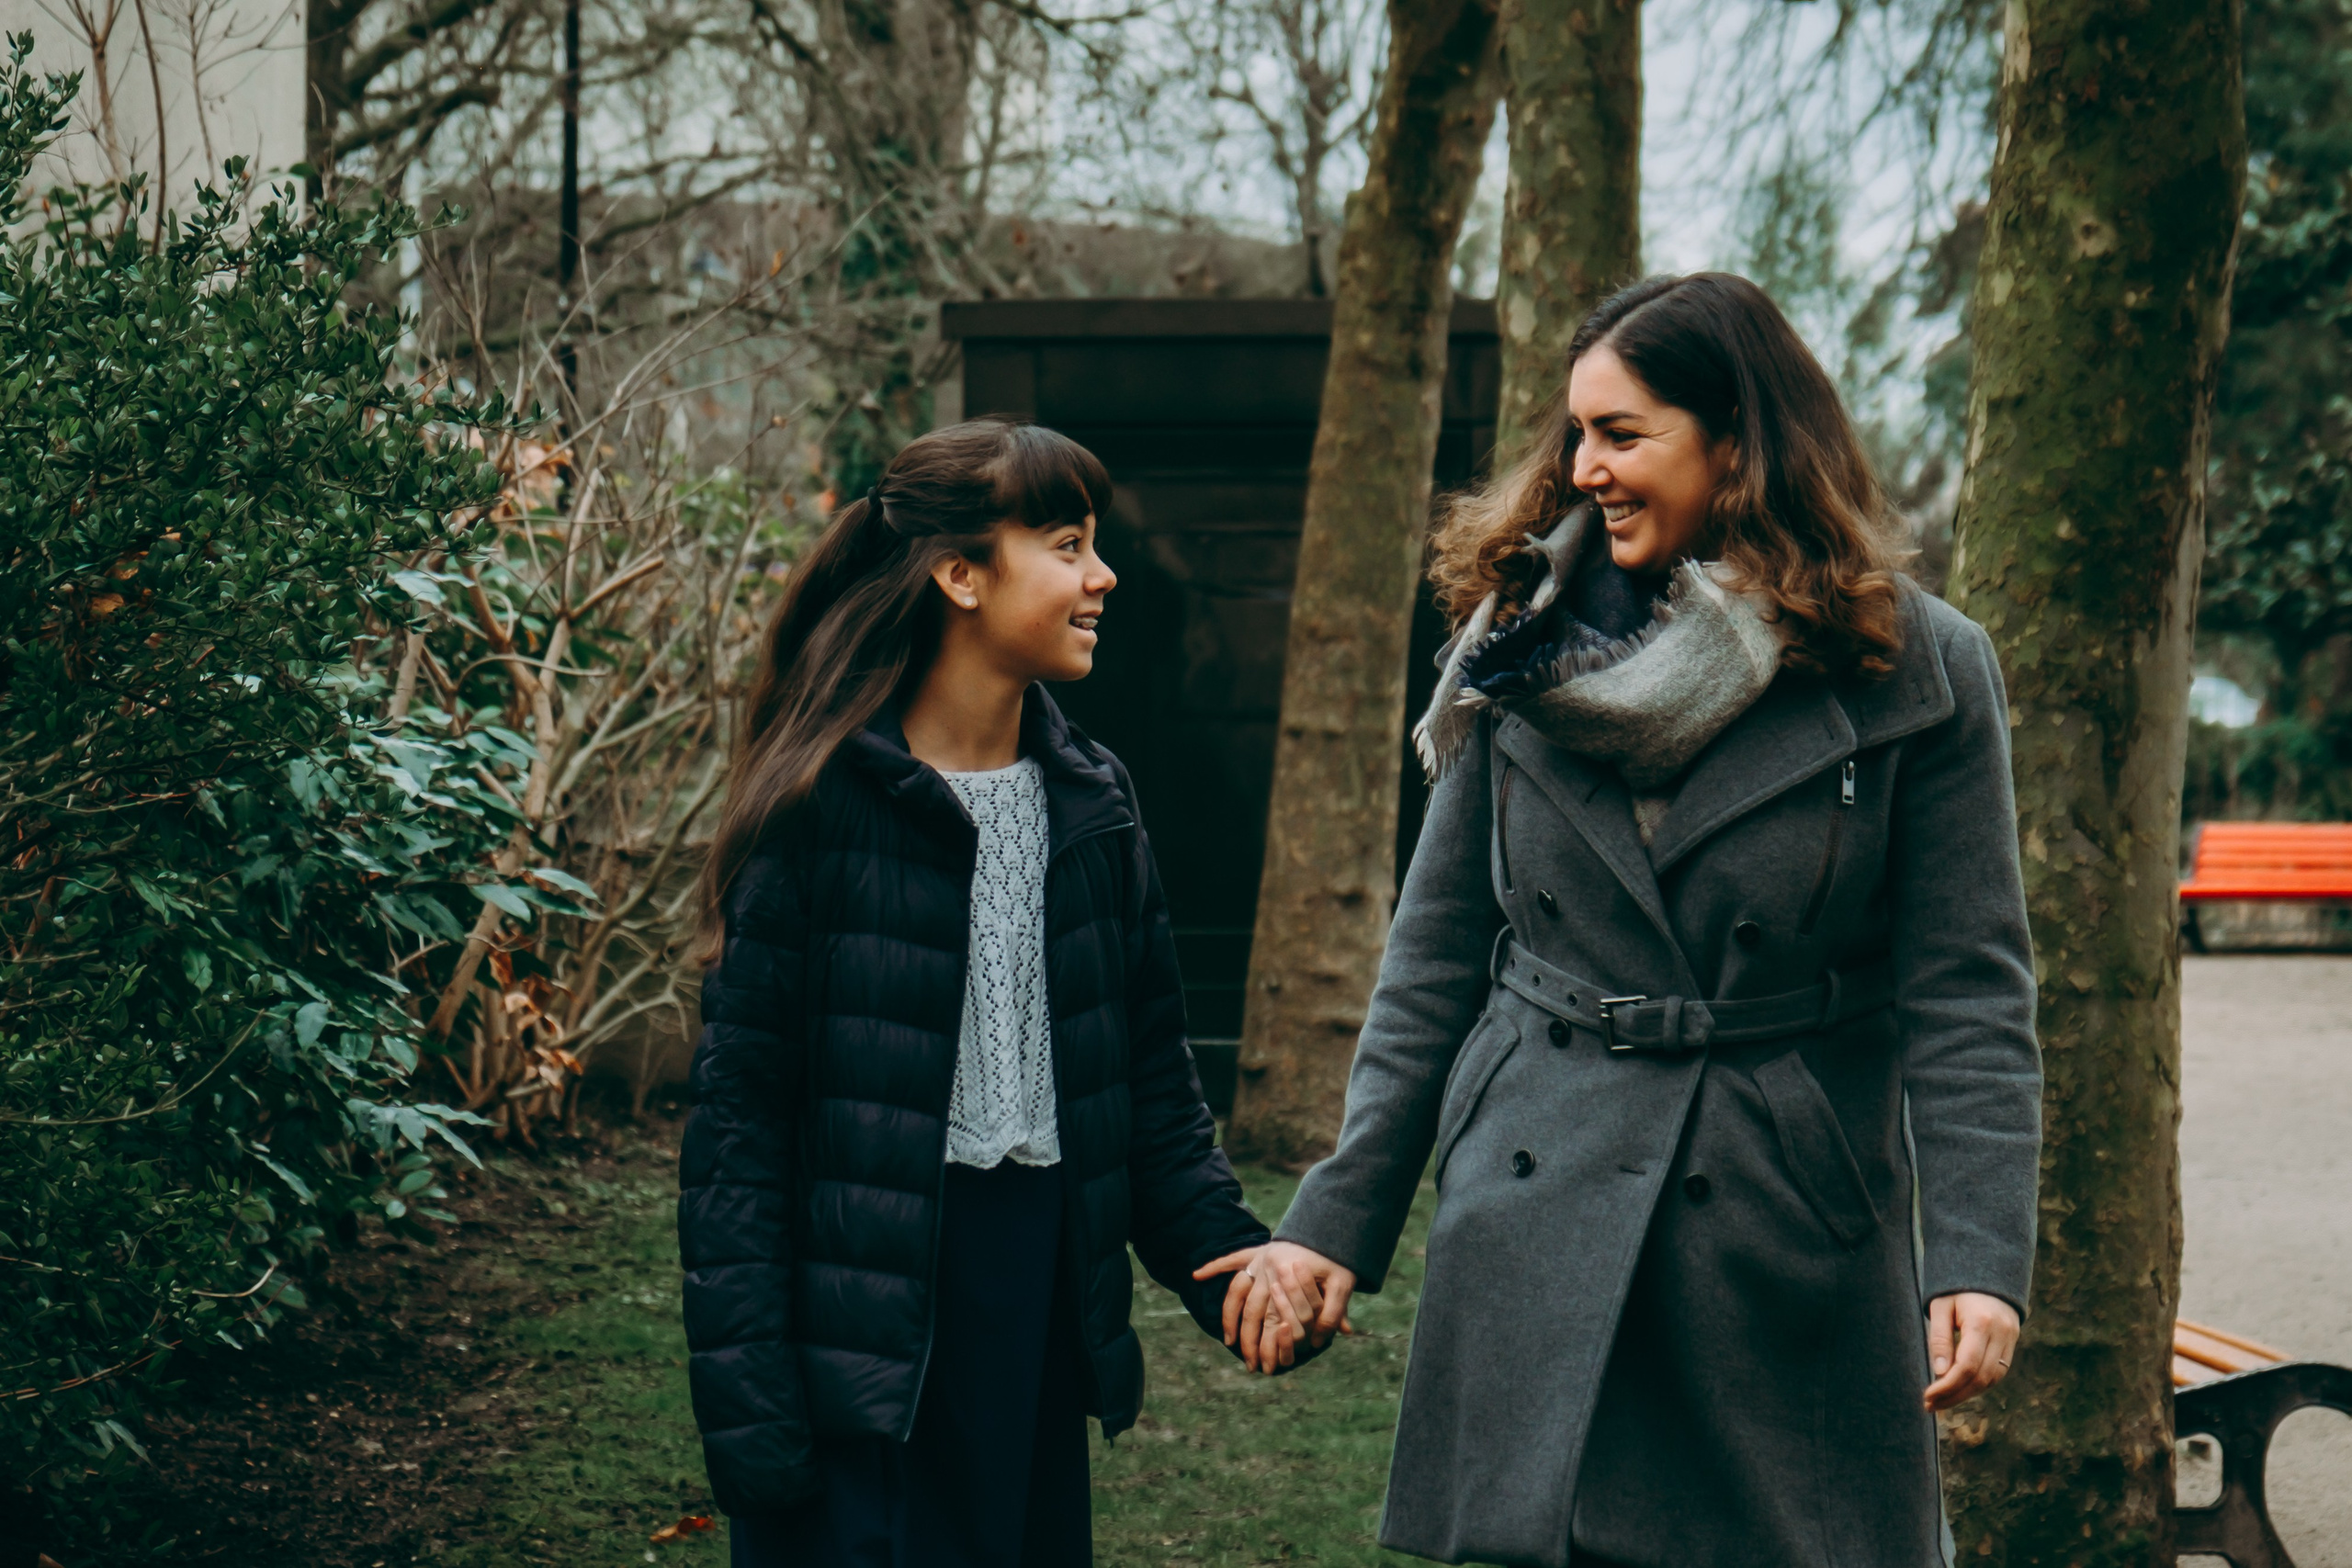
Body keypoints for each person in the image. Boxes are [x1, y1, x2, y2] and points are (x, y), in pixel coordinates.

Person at [1218, 274, 2042, 1568]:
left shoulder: (1920, 666)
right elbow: (1437, 956)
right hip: (1537, 1203)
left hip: (1781, 1222)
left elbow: (1970, 992)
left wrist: (1981, 1257)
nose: (1584, 468)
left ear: (1737, 441)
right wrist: (1336, 1215)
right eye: (1576, 435)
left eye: (1622, 433)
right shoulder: (1517, 651)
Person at [678, 417, 1279, 1568]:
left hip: (1036, 1320)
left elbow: (1149, 1094)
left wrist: (1240, 1279)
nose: (1102, 576)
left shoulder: (1092, 807)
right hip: (860, 1362)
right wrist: (754, 1416)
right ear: (960, 574)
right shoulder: (820, 812)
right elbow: (739, 1141)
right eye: (1065, 544)